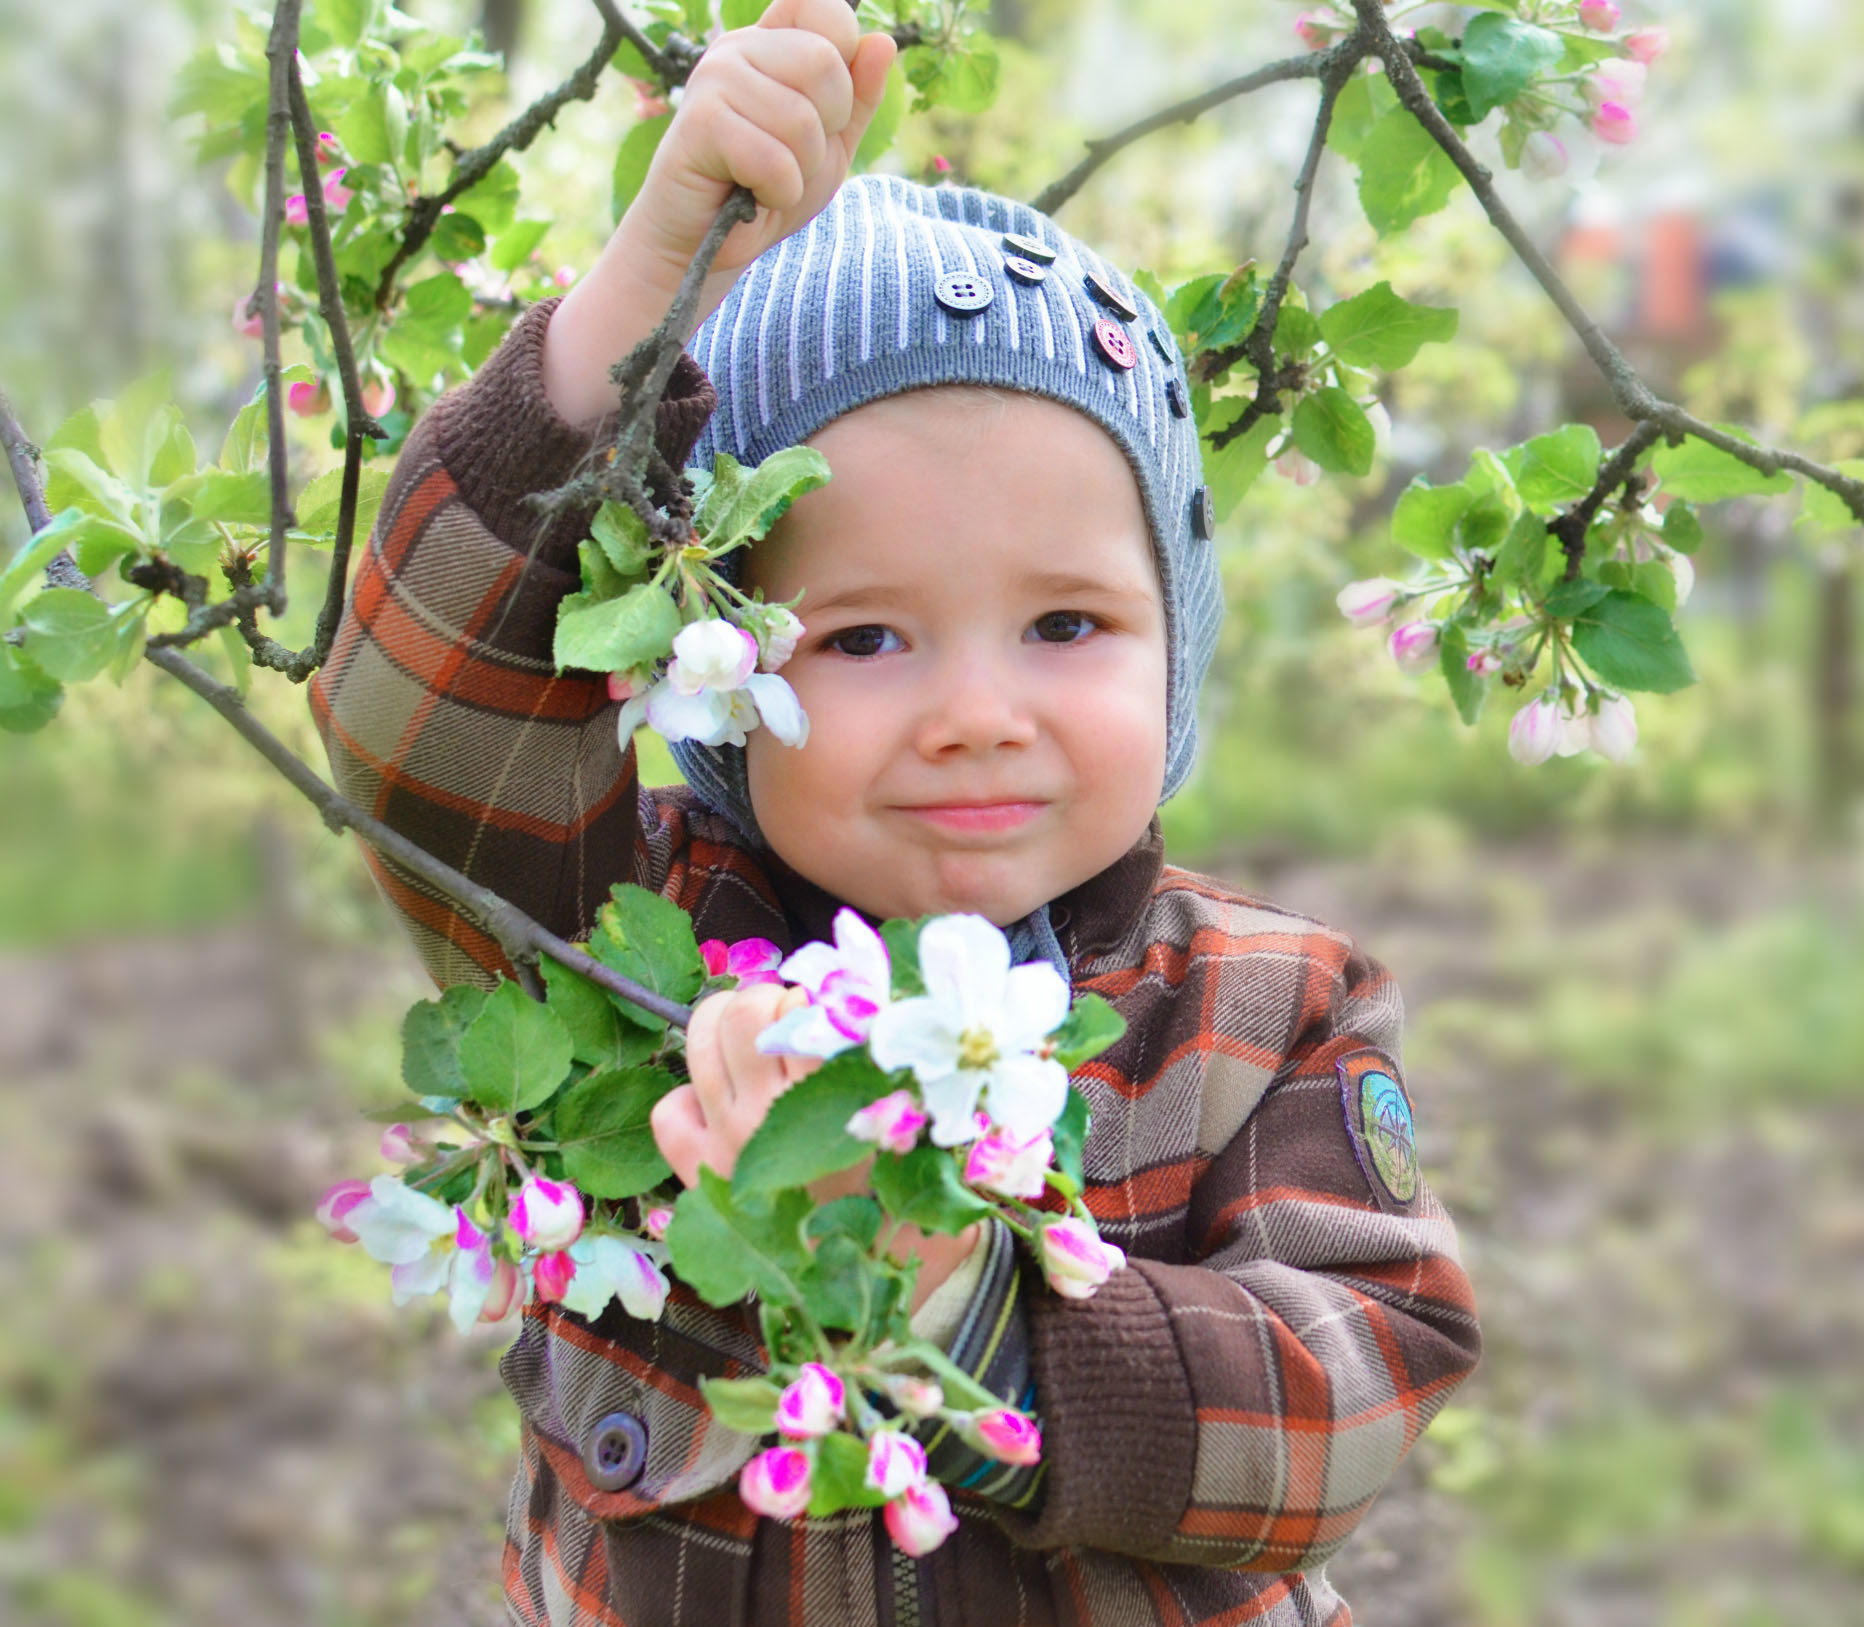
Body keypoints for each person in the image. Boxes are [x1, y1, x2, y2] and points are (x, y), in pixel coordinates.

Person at [307, 2, 1480, 1622]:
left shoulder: (1262, 1005)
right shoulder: (627, 950)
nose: (976, 713)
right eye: (863, 638)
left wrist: (967, 1301)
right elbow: (411, 724)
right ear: (707, 666)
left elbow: (1345, 1399)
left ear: (1176, 641)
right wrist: (636, 310)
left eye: (1065, 625)